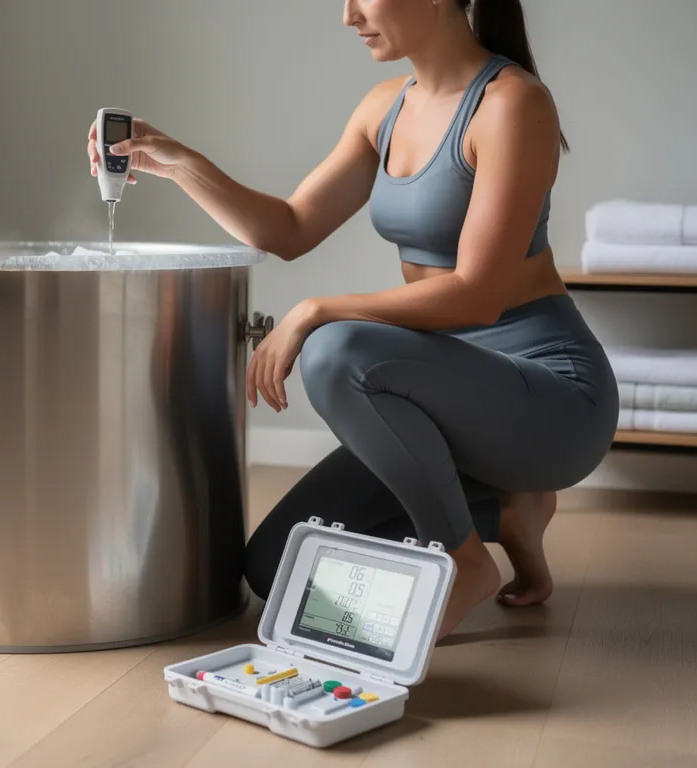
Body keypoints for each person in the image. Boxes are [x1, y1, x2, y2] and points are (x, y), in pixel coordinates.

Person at [85, 0, 618, 637]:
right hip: (450, 398)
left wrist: (314, 310)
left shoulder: (512, 105)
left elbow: (477, 296)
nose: (348, 15)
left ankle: (463, 561)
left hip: (550, 403)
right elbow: (287, 229)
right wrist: (178, 163)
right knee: (274, 565)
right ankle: (503, 510)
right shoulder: (383, 109)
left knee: (335, 351)